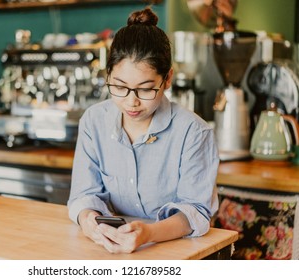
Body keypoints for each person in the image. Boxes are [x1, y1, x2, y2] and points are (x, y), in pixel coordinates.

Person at [67, 7, 219, 254]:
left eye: (146, 89)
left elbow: (195, 212)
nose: (131, 102)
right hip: (109, 251)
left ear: (167, 79)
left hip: (178, 253)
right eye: (119, 87)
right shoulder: (94, 121)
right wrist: (89, 222)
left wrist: (148, 233)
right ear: (108, 76)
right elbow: (84, 196)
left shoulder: (193, 132)